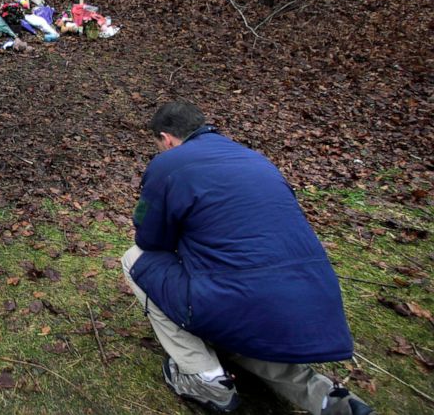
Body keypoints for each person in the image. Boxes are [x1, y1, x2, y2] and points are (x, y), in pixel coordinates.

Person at [123, 101, 373, 414]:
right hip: (311, 302)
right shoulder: (255, 159)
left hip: (232, 299)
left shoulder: (168, 165)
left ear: (167, 139)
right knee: (247, 328)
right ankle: (325, 396)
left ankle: (205, 378)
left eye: (158, 145)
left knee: (136, 258)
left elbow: (150, 239)